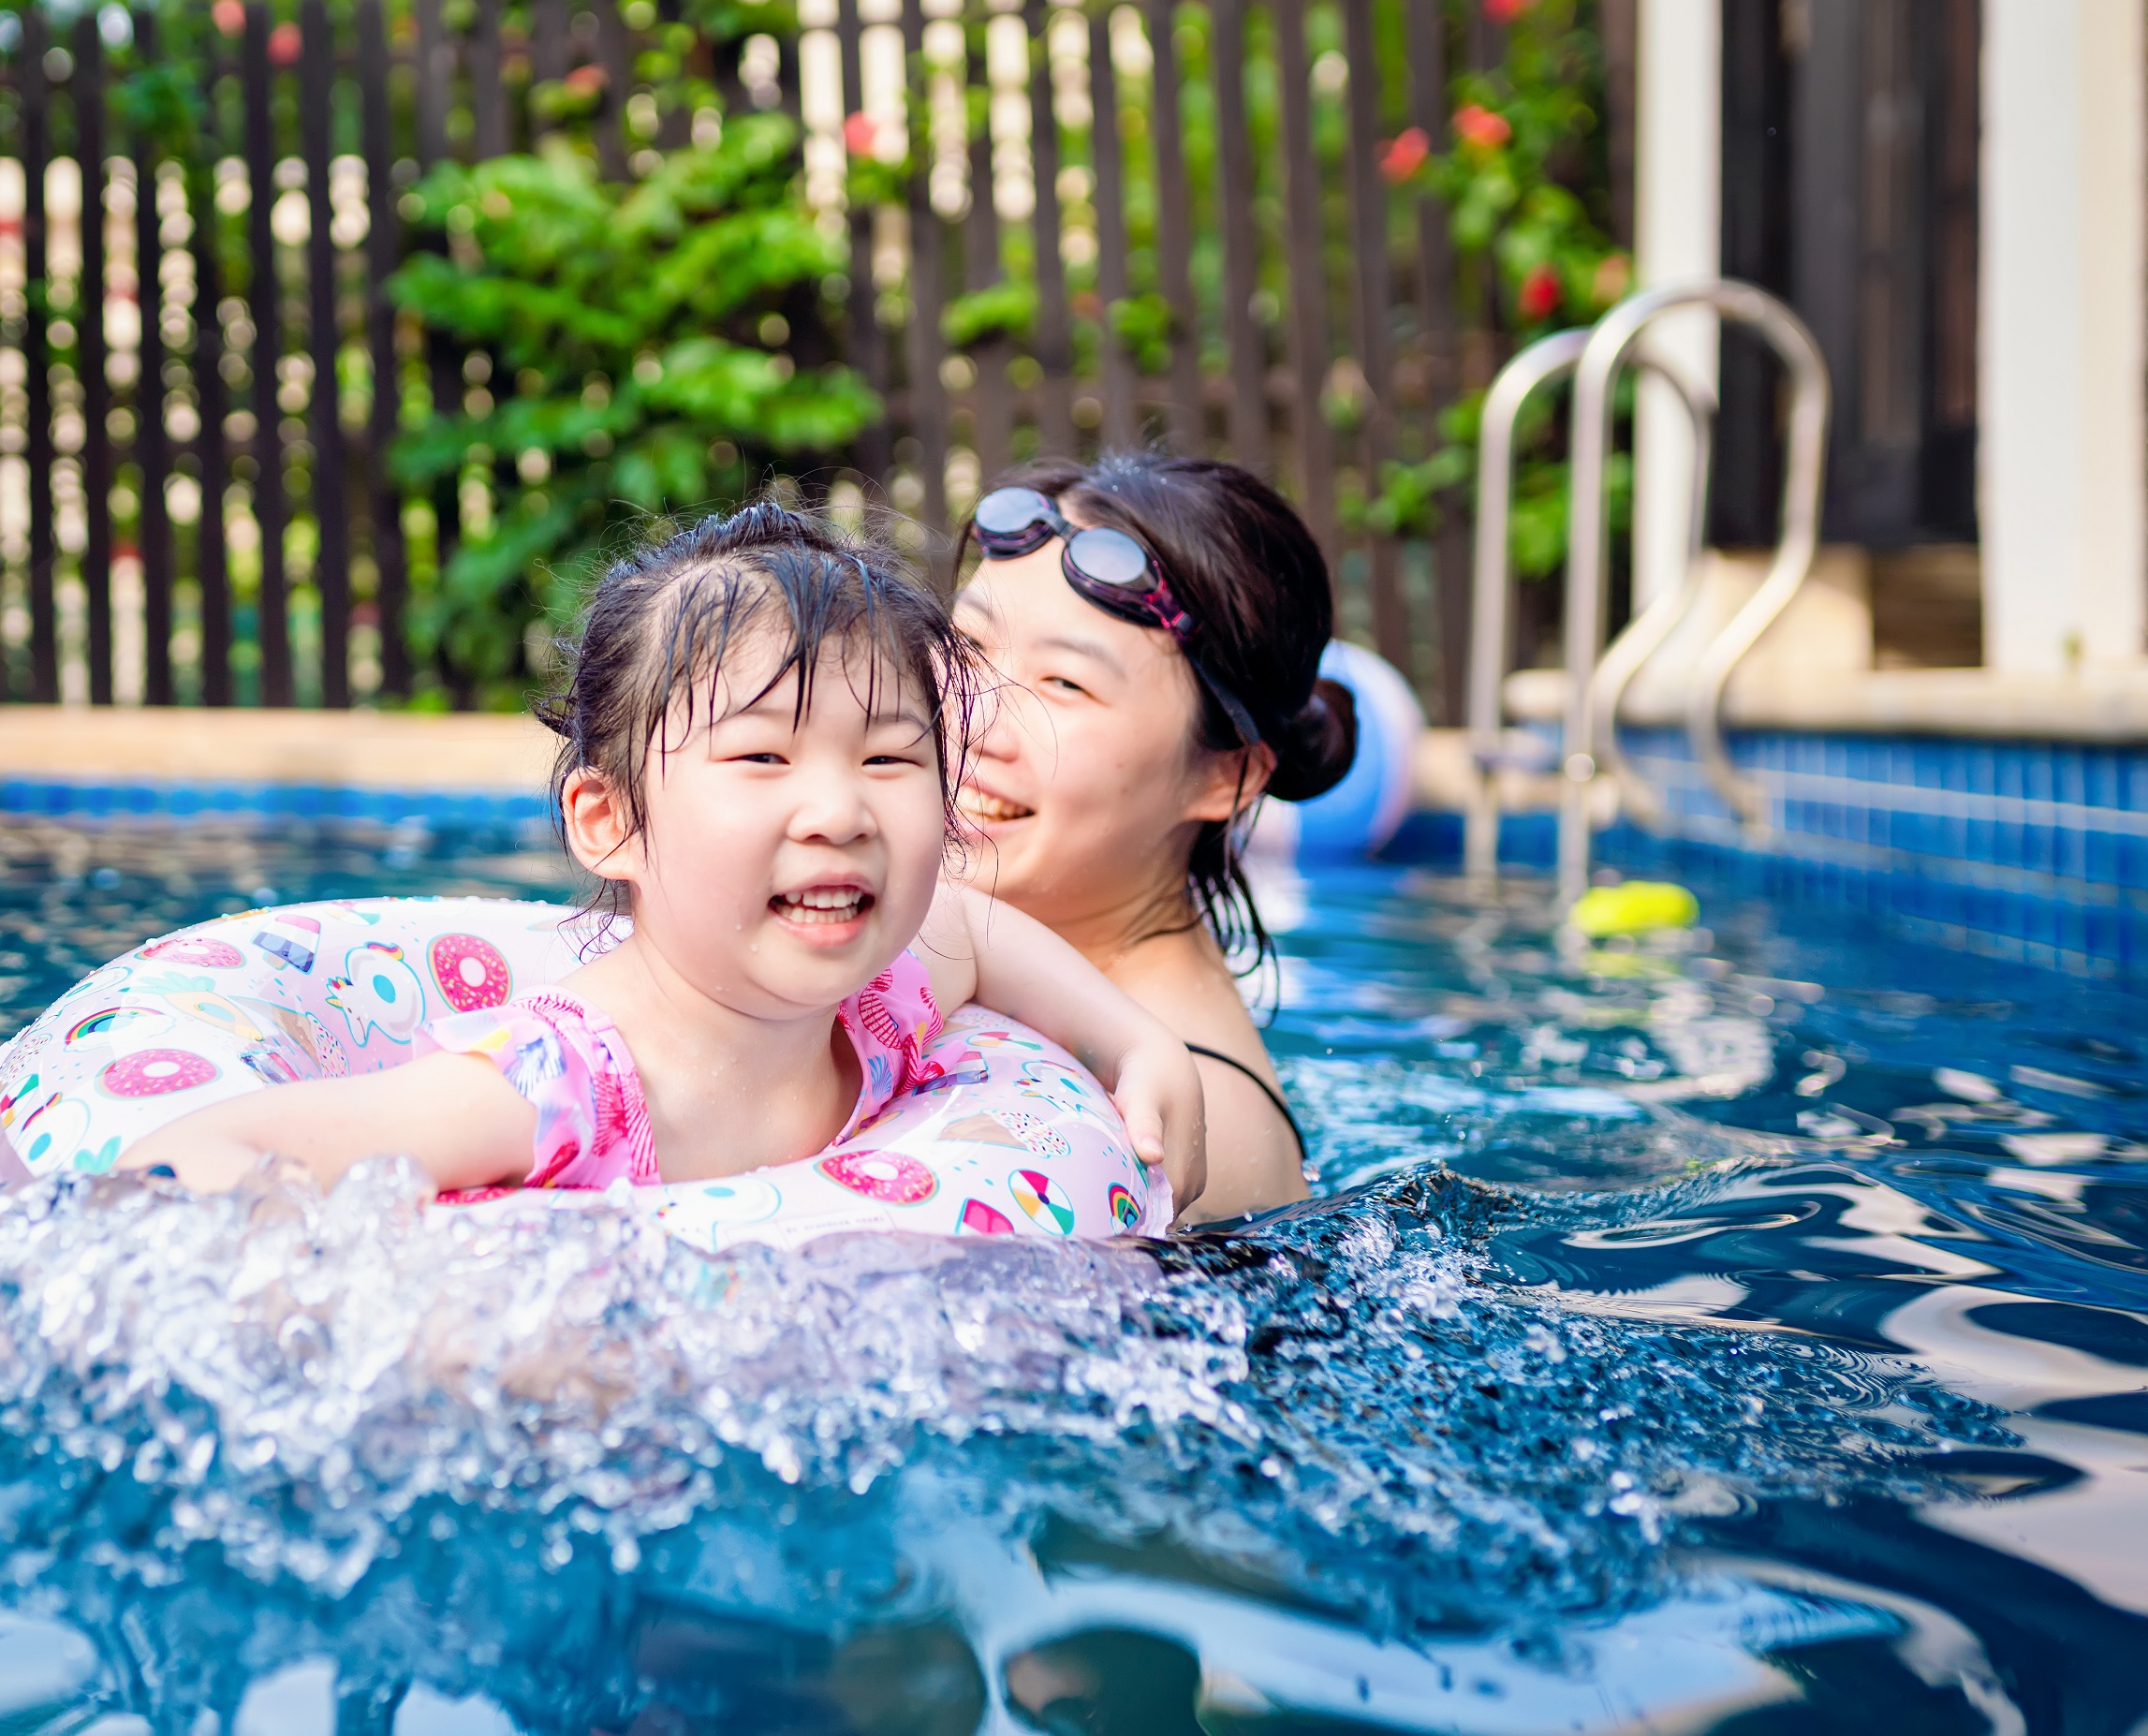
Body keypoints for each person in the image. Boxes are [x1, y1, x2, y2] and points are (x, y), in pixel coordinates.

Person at [124, 503, 1201, 1201]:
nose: (839, 811)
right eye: (761, 756)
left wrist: (1136, 1041)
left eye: (887, 758)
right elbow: (195, 1160)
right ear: (612, 822)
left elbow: (975, 926)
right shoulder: (556, 1087)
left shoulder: (894, 987)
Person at [951, 453, 1356, 1223]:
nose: (972, 719)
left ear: (1224, 780)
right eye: (967, 645)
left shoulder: (1174, 1126)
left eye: (1064, 683)